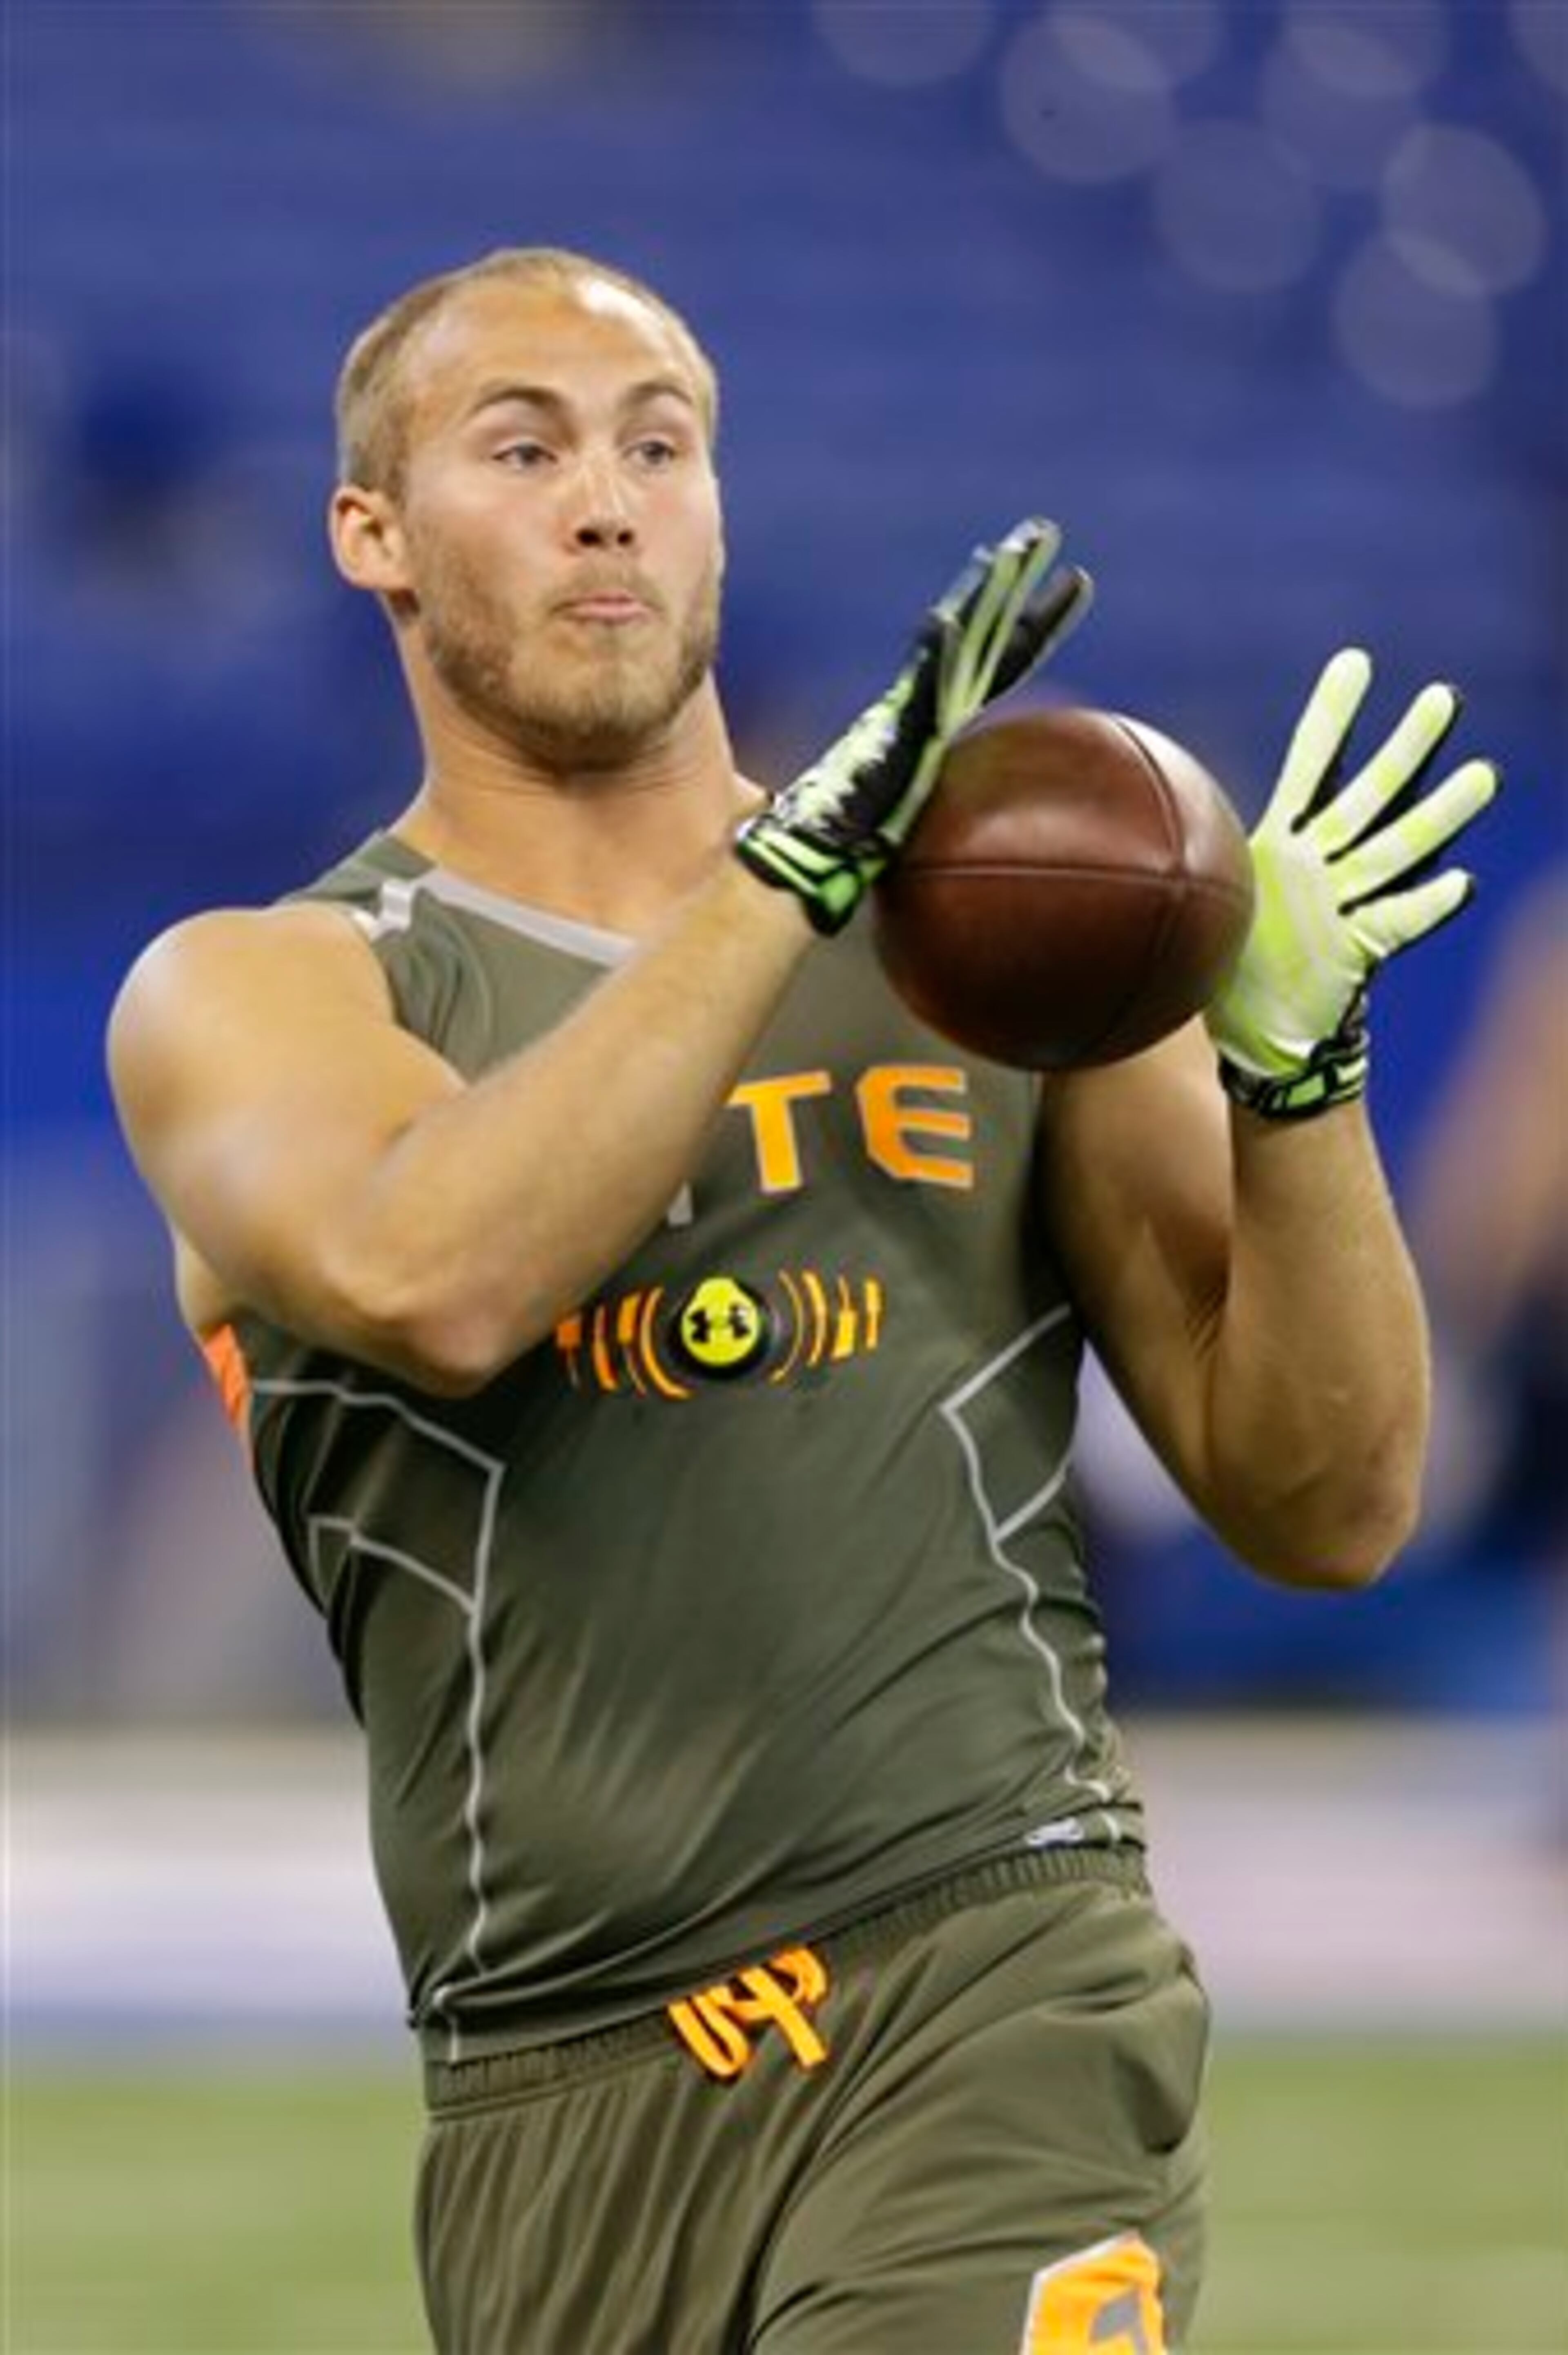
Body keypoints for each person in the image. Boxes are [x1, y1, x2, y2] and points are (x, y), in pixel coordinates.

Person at [107, 246, 1498, 2354]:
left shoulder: (1005, 950)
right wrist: (783, 883)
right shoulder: (264, 991)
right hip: (557, 2090)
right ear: (370, 534)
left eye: (661, 445)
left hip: (995, 1979)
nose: (609, 499)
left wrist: (1298, 1085)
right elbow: (438, 1270)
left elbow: (1331, 1505)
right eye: (525, 445)